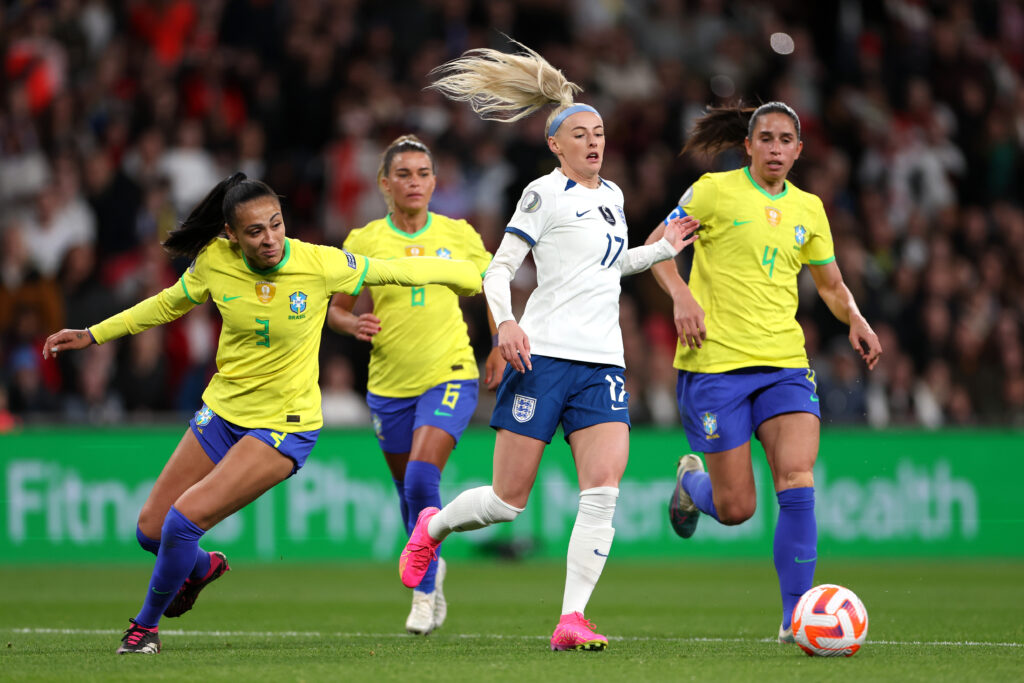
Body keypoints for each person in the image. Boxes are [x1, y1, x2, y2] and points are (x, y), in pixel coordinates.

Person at [41, 173, 482, 655]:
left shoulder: (319, 262)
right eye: (255, 231)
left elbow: (399, 270)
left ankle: (144, 628)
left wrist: (475, 278)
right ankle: (203, 568)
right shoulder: (215, 261)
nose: (270, 238)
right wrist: (93, 334)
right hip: (223, 413)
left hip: (284, 427)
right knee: (151, 530)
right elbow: (167, 305)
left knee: (180, 523)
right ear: (232, 234)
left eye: (276, 225)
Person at [396, 41, 699, 651]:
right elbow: (497, 269)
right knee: (508, 502)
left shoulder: (612, 198)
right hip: (545, 356)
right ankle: (434, 525)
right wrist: (506, 324)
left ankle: (571, 619)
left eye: (601, 133)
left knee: (603, 490)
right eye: (581, 134)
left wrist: (662, 250)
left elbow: (610, 268)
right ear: (556, 145)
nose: (594, 142)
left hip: (602, 363)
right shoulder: (543, 193)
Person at [647, 102, 883, 643]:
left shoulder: (809, 209)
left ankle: (794, 617)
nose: (776, 148)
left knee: (798, 479)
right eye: (766, 139)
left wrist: (856, 318)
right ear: (748, 145)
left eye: (786, 141)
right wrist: (681, 295)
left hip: (784, 364)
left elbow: (829, 284)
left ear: (799, 150)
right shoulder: (712, 191)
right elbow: (657, 249)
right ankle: (690, 484)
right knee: (736, 509)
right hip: (716, 364)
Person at [327, 134, 503, 635]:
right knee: (409, 493)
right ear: (385, 183)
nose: (415, 182)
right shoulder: (364, 242)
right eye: (403, 174)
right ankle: (433, 564)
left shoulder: (459, 233)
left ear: (434, 180)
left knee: (423, 477)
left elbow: (495, 285)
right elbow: (335, 309)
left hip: (450, 373)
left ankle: (423, 594)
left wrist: (497, 341)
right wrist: (351, 324)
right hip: (387, 384)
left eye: (423, 173)